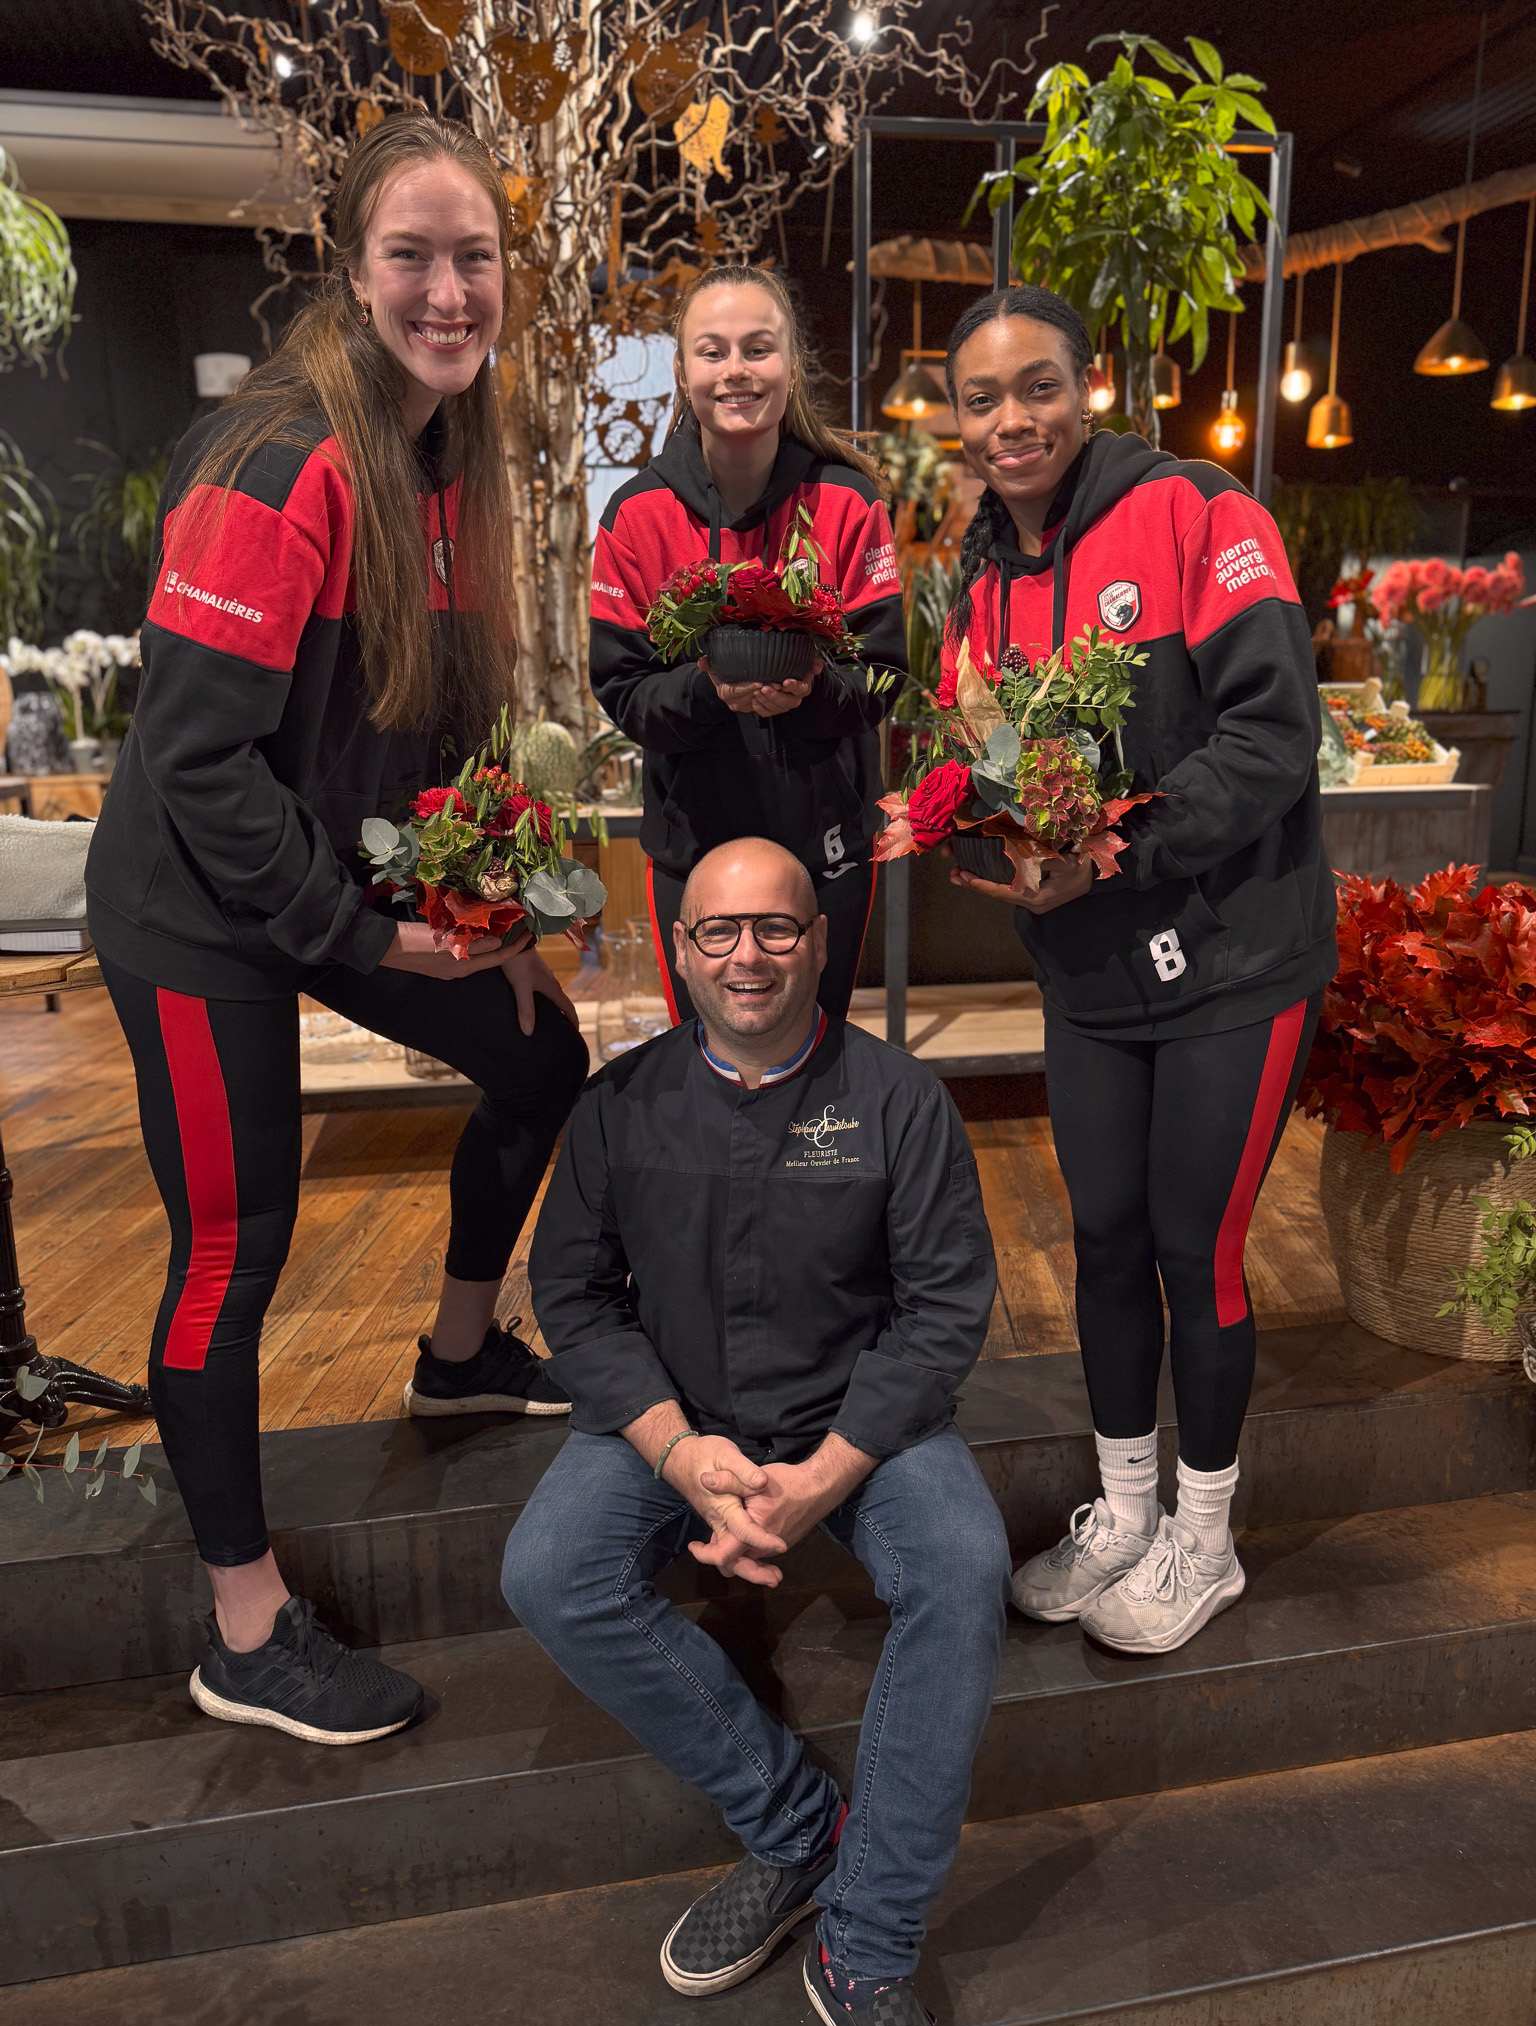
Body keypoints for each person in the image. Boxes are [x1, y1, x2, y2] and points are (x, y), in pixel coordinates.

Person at [85, 115, 589, 1745]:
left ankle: (456, 1352)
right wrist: (359, 939)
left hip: (325, 871)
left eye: (475, 258)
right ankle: (243, 1622)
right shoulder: (280, 456)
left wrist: (475, 910)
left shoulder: (450, 459)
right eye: (412, 257)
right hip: (195, 909)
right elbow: (195, 760)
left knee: (541, 1050)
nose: (449, 290)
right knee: (235, 1245)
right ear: (352, 270)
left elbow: (417, 736)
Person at [503, 836, 1007, 2026]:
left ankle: (866, 1944)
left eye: (776, 928)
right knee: (547, 1570)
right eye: (718, 931)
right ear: (682, 948)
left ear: (820, 941)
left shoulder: (899, 1099)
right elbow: (572, 1297)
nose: (748, 954)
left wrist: (829, 1469)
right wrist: (679, 1453)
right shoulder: (618, 1104)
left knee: (965, 1562)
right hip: (673, 1418)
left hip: (857, 1423)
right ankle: (796, 1825)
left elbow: (945, 1306)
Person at [938, 286, 1335, 1655]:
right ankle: (1121, 1510)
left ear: (1088, 388)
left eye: (1035, 387)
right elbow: (983, 760)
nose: (1011, 420)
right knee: (1102, 1242)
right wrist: (981, 837)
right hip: (1094, 973)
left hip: (1238, 957)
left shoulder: (1199, 514)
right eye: (982, 398)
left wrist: (1118, 849)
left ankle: (1205, 1538)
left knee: (1192, 1247)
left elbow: (1278, 737)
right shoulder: (979, 580)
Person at [589, 264, 909, 1024]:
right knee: (706, 1063)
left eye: (758, 348)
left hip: (824, 847)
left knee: (816, 1057)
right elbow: (623, 691)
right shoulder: (635, 516)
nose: (736, 369)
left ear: (792, 366)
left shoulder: (849, 502)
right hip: (693, 846)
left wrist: (810, 691)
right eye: (712, 350)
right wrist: (709, 689)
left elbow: (884, 678)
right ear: (682, 370)